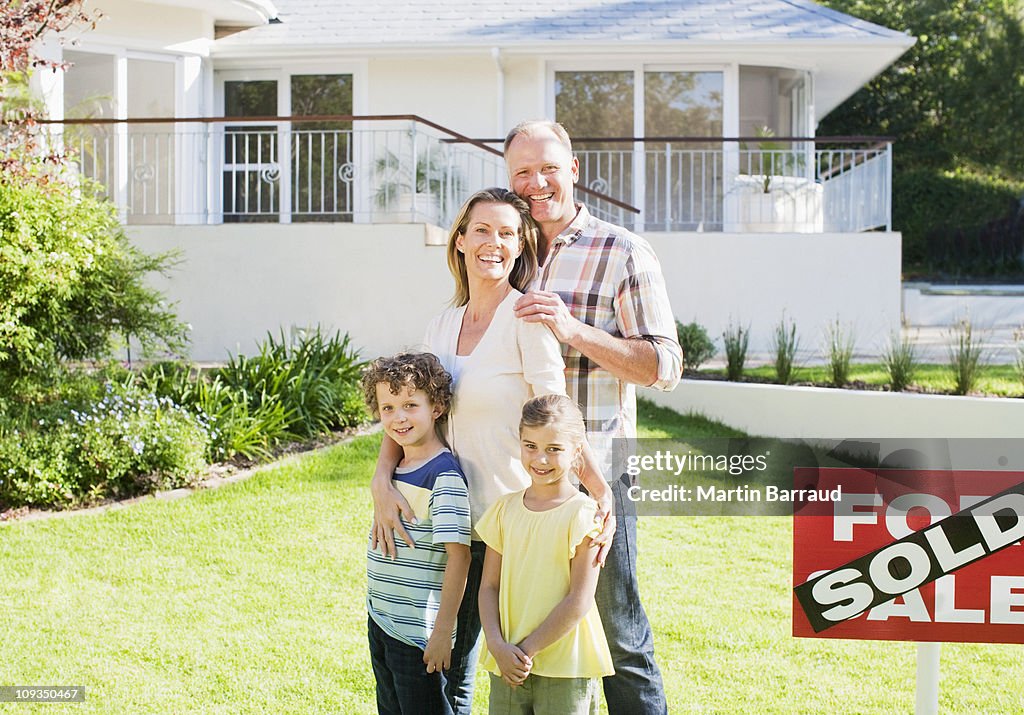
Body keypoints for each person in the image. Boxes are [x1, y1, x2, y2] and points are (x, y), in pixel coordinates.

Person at [368, 188, 614, 715]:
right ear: (459, 241)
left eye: (507, 233)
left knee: (464, 672)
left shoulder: (526, 319)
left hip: (502, 528)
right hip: (439, 520)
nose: (493, 243)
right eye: (481, 229)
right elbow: (408, 408)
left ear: (521, 245)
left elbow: (558, 412)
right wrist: (380, 480)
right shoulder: (442, 323)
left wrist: (597, 488)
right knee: (428, 661)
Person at [505, 119, 683, 715]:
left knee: (620, 638)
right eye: (521, 172)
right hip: (520, 487)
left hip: (598, 480)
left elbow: (664, 363)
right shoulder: (509, 251)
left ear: (574, 170)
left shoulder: (622, 250)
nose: (536, 183)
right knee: (528, 629)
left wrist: (574, 330)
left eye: (548, 168)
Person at [477, 394, 613, 715]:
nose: (540, 459)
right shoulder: (503, 509)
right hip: (507, 662)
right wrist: (498, 647)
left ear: (576, 452)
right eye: (531, 446)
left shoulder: (584, 515)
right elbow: (488, 587)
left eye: (554, 449)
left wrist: (526, 650)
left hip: (564, 664)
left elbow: (579, 600)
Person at [361, 352, 472, 715]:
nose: (399, 417)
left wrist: (442, 634)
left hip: (418, 637)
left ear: (437, 406)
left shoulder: (444, 476)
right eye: (388, 407)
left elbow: (459, 556)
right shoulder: (397, 468)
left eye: (411, 404)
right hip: (382, 620)